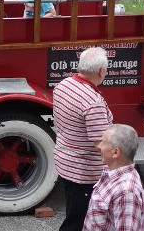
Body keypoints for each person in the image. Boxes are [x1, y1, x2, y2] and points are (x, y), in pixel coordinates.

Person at [53, 46, 113, 231]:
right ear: (101, 71)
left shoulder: (63, 85)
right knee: (78, 221)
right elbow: (100, 144)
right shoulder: (92, 101)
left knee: (74, 212)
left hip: (65, 162)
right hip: (84, 172)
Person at [83, 124, 144, 231]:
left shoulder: (126, 192)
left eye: (103, 142)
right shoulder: (111, 172)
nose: (99, 146)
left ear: (115, 152)